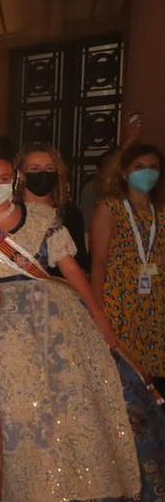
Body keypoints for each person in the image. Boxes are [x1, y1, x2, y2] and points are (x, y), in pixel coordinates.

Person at [0, 148, 149, 502]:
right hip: (1, 321)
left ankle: (67, 501)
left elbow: (73, 274)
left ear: (14, 181)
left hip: (55, 319)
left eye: (2, 178)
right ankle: (24, 498)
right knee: (19, 410)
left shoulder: (46, 220)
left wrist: (101, 321)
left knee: (67, 406)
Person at [90, 142, 163, 379]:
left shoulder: (161, 212)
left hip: (154, 302)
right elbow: (98, 263)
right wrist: (97, 309)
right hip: (118, 299)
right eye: (139, 166)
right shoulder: (109, 208)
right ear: (125, 172)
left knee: (151, 377)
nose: (147, 172)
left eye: (153, 167)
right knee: (120, 373)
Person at [16, 143, 88, 270]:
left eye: (50, 169)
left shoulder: (70, 214)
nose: (43, 173)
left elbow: (81, 262)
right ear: (21, 174)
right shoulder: (12, 212)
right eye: (35, 169)